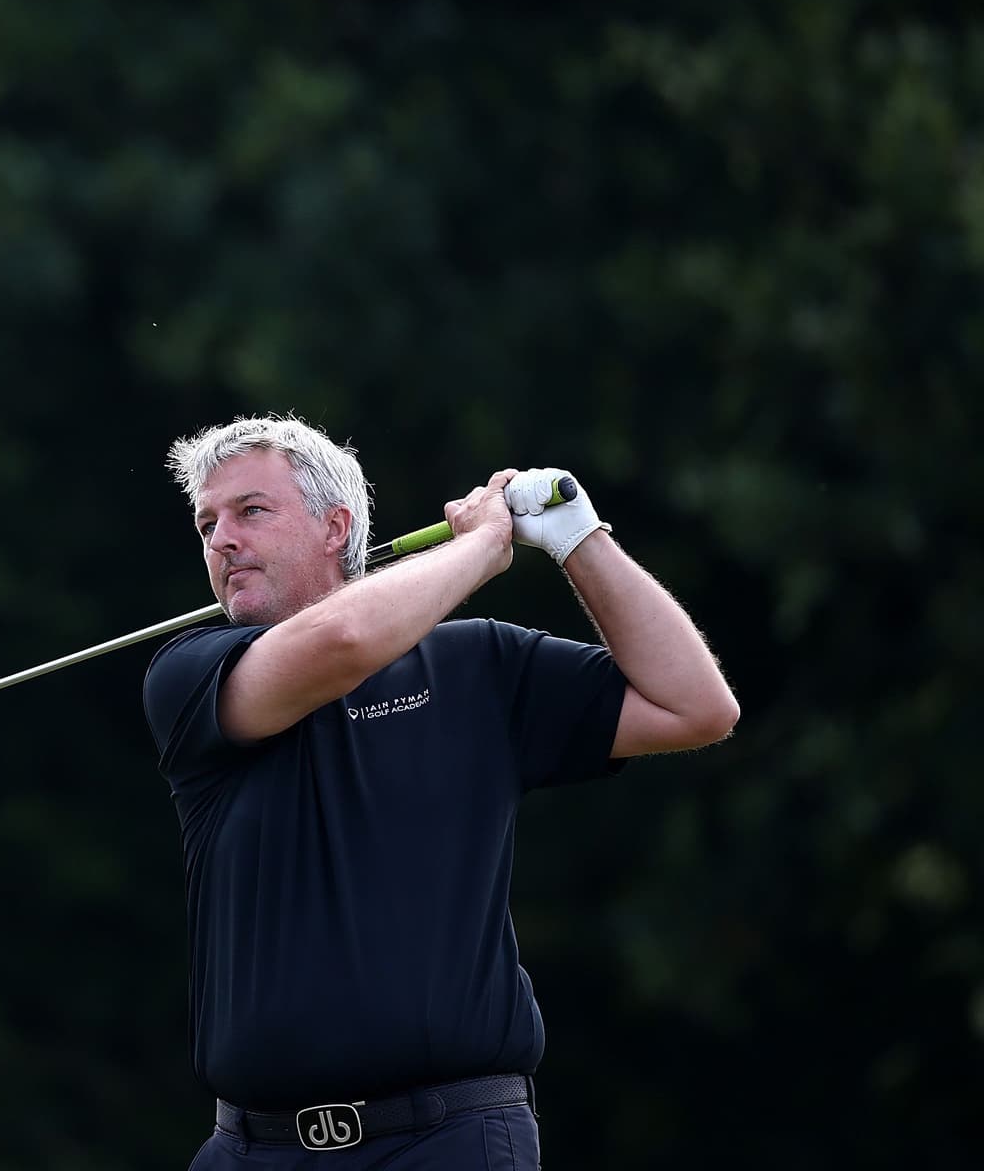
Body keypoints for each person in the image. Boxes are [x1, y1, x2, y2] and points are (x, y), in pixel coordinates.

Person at [142, 415, 738, 1169]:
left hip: (449, 1140)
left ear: (336, 528)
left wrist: (580, 540)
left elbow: (698, 706)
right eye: (207, 522)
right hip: (254, 1150)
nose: (220, 538)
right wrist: (485, 547)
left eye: (250, 511)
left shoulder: (476, 665)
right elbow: (342, 643)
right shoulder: (190, 674)